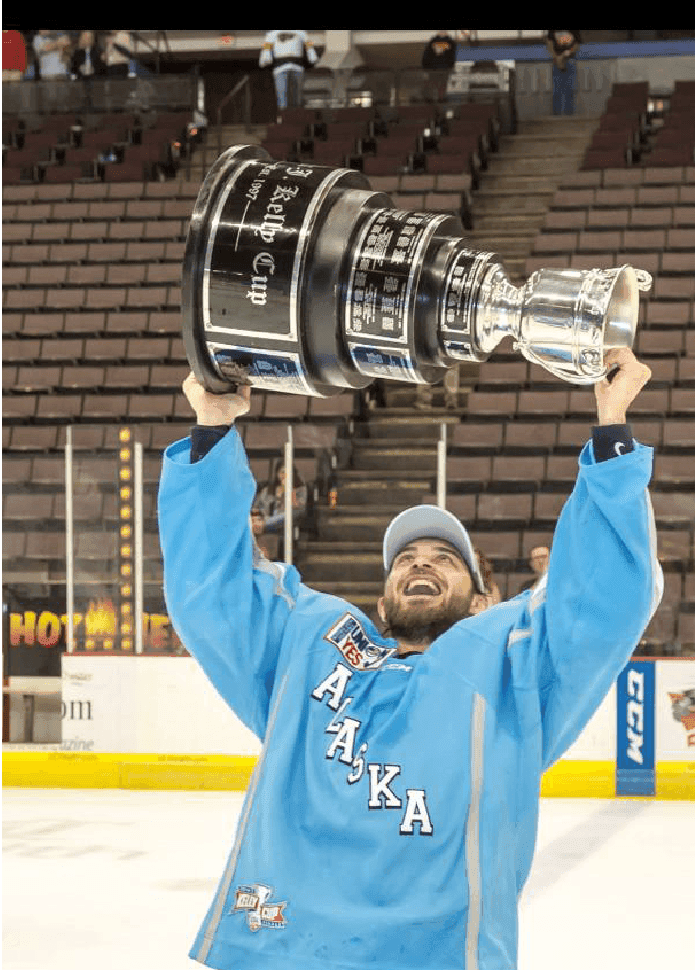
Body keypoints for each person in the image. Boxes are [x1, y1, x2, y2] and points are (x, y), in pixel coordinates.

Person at [158, 346, 661, 970]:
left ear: (484, 602)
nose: (421, 561)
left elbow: (605, 597)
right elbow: (212, 591)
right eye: (406, 559)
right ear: (381, 599)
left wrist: (612, 433)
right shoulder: (310, 646)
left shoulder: (513, 670)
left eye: (446, 559)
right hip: (280, 952)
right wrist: (212, 429)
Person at [259, 30, 317, 111]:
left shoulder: (301, 33)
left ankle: (298, 115)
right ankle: (283, 116)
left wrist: (312, 57)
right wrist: (264, 60)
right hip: (280, 68)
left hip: (297, 67)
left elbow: (309, 47)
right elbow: (266, 49)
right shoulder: (272, 34)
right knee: (281, 95)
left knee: (298, 96)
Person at [545, 29, 581, 115]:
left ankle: (568, 113)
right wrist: (556, 58)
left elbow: (577, 44)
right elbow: (549, 43)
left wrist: (569, 52)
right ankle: (557, 113)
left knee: (569, 89)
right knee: (557, 89)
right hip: (556, 60)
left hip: (570, 60)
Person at [421, 29, 457, 102]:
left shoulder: (449, 43)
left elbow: (451, 57)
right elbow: (426, 57)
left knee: (440, 84)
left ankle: (439, 98)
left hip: (440, 69)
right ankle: (437, 98)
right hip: (436, 69)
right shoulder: (434, 42)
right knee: (438, 84)